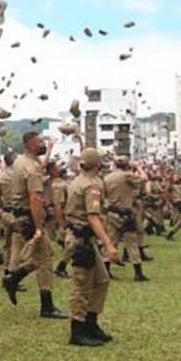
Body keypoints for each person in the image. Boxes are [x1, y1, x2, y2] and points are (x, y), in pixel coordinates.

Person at [2, 132, 67, 319]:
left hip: (23, 216)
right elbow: (35, 199)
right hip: (29, 218)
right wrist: (39, 227)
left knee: (46, 255)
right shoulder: (30, 167)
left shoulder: (22, 162)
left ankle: (14, 278)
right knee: (45, 260)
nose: (43, 144)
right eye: (40, 141)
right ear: (31, 145)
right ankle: (47, 306)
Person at [63, 148, 119, 346]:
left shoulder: (77, 180)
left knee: (102, 280)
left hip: (84, 238)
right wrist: (109, 244)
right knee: (82, 286)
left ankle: (91, 323)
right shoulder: (91, 185)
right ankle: (77, 330)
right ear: (98, 165)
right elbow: (93, 217)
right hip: (82, 239)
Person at [102, 156, 150, 281]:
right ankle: (138, 272)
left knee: (111, 241)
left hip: (112, 213)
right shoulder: (126, 176)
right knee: (131, 242)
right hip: (126, 214)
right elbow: (145, 179)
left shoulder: (107, 178)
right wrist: (139, 168)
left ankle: (106, 270)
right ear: (127, 165)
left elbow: (104, 195)